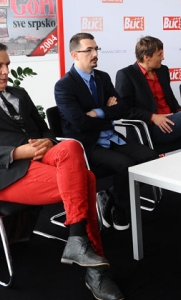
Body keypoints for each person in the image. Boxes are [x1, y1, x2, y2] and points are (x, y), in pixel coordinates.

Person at [0, 41, 123, 299]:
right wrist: (16, 152)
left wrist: (47, 141)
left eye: (7, 65)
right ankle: (94, 267)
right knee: (87, 179)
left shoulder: (19, 93)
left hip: (40, 157)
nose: (6, 71)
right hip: (6, 172)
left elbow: (43, 128)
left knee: (70, 147)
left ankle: (78, 242)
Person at [55, 32, 158, 232]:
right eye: (89, 50)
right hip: (88, 144)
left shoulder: (103, 77)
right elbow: (80, 124)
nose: (95, 54)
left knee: (150, 158)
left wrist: (98, 112)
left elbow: (122, 109)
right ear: (74, 55)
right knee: (125, 165)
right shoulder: (64, 86)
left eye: (96, 49)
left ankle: (110, 196)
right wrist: (108, 113)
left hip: (111, 137)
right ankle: (120, 208)